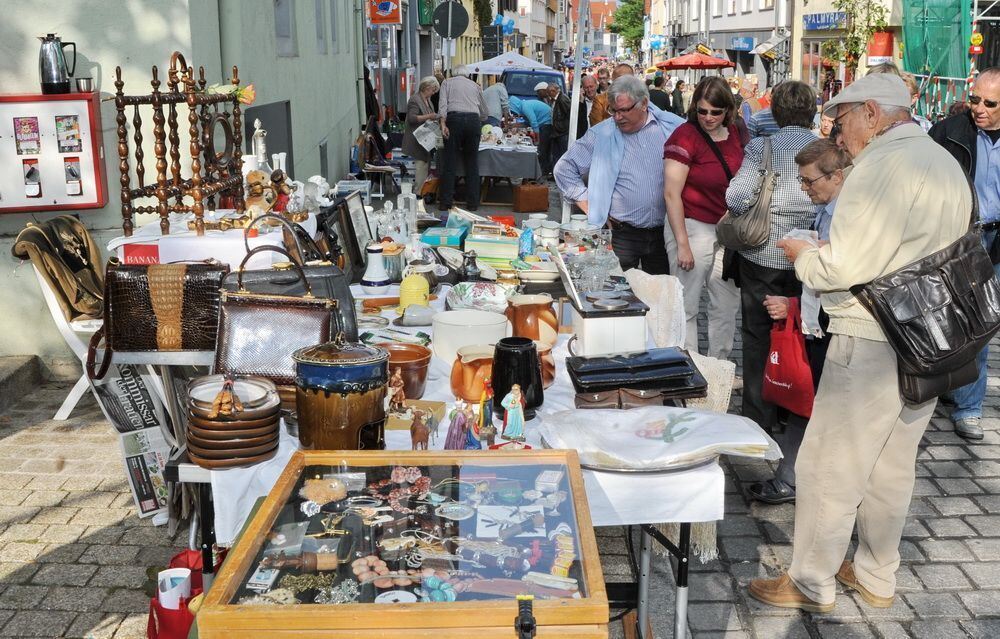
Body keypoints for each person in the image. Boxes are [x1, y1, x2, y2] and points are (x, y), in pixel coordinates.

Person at [749, 73, 971, 615]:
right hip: (928, 336)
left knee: (830, 465)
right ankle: (876, 574)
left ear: (872, 112)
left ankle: (810, 582)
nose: (835, 132)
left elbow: (846, 265)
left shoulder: (880, 165)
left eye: (841, 120)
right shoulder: (941, 159)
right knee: (892, 465)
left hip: (872, 333)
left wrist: (805, 253)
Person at [746, 138, 851, 505]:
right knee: (808, 402)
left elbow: (840, 275)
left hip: (836, 325)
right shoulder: (828, 206)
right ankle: (793, 475)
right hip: (819, 317)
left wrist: (806, 258)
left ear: (836, 177)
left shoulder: (847, 212)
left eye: (809, 182)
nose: (804, 190)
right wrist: (794, 304)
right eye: (802, 182)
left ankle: (793, 479)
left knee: (810, 402)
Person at [725, 81, 818, 435]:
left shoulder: (762, 147)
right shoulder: (824, 149)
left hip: (763, 252)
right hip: (810, 254)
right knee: (804, 333)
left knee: (758, 336)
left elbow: (736, 198)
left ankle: (758, 416)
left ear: (775, 111)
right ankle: (793, 409)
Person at [928, 67, 1000, 440]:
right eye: (974, 99)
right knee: (948, 320)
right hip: (958, 240)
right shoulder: (948, 132)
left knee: (984, 326)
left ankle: (969, 407)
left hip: (996, 244)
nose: (979, 108)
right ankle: (943, 387)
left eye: (990, 103)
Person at [555, 75, 685, 274]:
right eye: (613, 110)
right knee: (617, 295)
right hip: (622, 234)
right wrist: (591, 206)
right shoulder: (601, 134)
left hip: (664, 233)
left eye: (624, 110)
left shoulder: (671, 128)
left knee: (661, 297)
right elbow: (564, 169)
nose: (617, 117)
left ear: (644, 104)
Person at [663, 77, 745, 361]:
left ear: (727, 111)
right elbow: (672, 193)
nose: (708, 118)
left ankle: (718, 366)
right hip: (691, 225)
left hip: (727, 231)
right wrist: (683, 243)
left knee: (726, 305)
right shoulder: (685, 136)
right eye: (702, 111)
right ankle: (689, 366)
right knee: (686, 304)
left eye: (715, 112)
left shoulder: (736, 133)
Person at [437, 66, 488, 211]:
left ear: (454, 73)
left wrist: (443, 124)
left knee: (450, 162)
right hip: (473, 121)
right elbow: (484, 111)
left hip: (454, 120)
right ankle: (472, 203)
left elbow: (443, 105)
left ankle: (446, 202)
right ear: (467, 74)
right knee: (472, 163)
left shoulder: (447, 82)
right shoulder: (475, 86)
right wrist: (477, 118)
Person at [401, 76, 441, 194]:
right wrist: (430, 116)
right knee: (421, 166)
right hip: (417, 138)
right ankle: (418, 193)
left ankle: (421, 191)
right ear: (427, 87)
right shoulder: (415, 99)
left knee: (424, 165)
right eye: (433, 90)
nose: (433, 93)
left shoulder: (427, 100)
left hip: (425, 139)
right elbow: (412, 119)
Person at [510, 95, 553, 177]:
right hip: (544, 124)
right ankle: (545, 170)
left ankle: (541, 172)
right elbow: (527, 123)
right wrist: (513, 125)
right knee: (544, 149)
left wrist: (537, 138)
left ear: (515, 107)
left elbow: (533, 123)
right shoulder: (523, 107)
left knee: (542, 149)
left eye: (513, 111)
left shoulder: (525, 107)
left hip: (546, 124)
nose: (513, 114)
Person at [549, 83, 573, 171]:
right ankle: (556, 172)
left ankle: (561, 173)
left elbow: (569, 114)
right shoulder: (556, 99)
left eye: (549, 92)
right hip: (557, 131)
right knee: (556, 154)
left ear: (553, 91)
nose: (548, 94)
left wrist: (562, 126)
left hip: (562, 132)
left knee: (561, 154)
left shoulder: (562, 99)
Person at [576, 75, 598, 139]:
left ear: (596, 85)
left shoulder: (603, 100)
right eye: (586, 87)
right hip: (585, 138)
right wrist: (581, 101)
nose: (589, 90)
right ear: (582, 88)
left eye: (591, 86)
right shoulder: (580, 103)